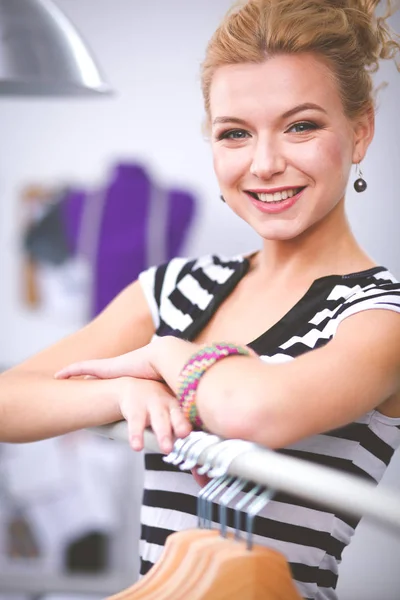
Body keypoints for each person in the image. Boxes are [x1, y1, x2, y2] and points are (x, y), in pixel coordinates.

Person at [1, 0, 400, 597]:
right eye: (235, 133)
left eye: (301, 126)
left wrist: (163, 356)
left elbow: (255, 411)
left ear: (359, 130)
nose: (265, 164)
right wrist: (122, 391)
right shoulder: (175, 287)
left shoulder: (381, 313)